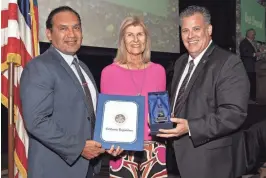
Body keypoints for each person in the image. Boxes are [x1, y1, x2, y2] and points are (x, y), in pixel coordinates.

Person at [20, 6, 117, 178]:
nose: (71, 34)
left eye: (76, 27)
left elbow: (91, 114)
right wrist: (79, 148)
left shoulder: (83, 68)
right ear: (49, 34)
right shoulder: (39, 67)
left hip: (87, 168)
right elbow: (36, 121)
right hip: (55, 170)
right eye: (63, 28)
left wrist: (110, 140)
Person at [157, 6, 250, 178]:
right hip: (178, 159)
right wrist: (159, 116)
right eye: (185, 30)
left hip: (211, 163)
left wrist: (191, 127)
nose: (190, 35)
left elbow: (233, 113)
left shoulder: (228, 63)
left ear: (209, 30)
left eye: (196, 29)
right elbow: (180, 101)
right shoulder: (180, 62)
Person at [100, 16, 168, 178]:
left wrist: (163, 122)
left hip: (155, 148)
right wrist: (110, 143)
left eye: (140, 34)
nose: (136, 39)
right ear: (123, 39)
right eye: (130, 35)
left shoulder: (159, 71)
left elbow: (160, 114)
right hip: (122, 149)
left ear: (146, 39)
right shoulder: (109, 72)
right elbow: (107, 116)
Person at [239, 29, 261, 102]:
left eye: (254, 34)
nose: (254, 35)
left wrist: (259, 53)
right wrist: (255, 54)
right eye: (253, 34)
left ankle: (253, 99)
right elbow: (244, 53)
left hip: (253, 66)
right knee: (249, 83)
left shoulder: (252, 43)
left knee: (253, 83)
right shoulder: (244, 42)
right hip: (248, 67)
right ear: (248, 34)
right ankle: (250, 99)